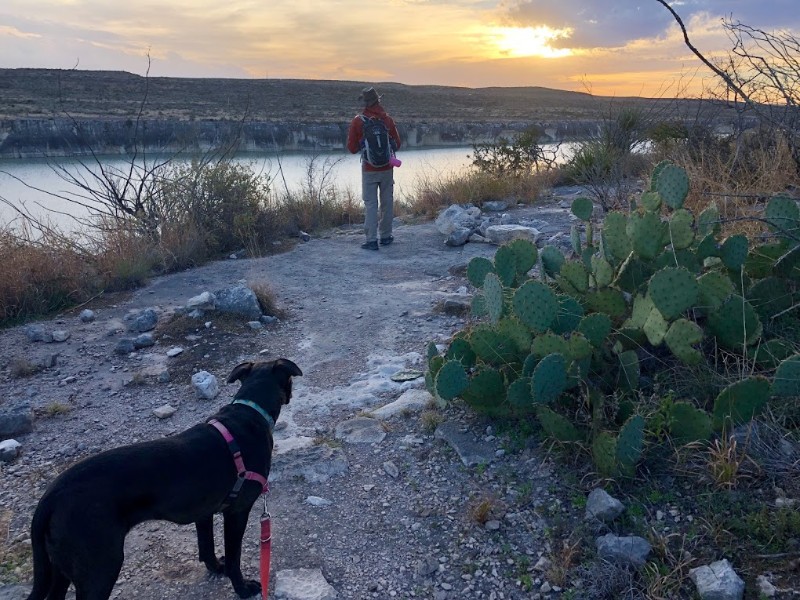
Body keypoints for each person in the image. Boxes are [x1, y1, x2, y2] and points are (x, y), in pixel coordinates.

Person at [346, 86, 401, 250]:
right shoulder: (387, 120)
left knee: (370, 204)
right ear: (378, 100)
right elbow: (397, 144)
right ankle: (385, 236)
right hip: (386, 167)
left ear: (365, 102)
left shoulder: (358, 121)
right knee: (387, 202)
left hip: (369, 169)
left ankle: (371, 240)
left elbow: (352, 148)